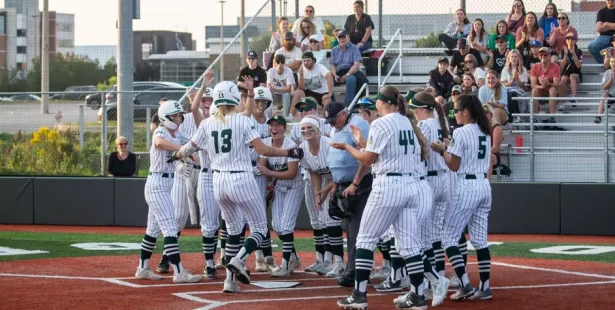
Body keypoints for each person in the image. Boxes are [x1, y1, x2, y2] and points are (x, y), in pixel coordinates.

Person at [172, 78, 304, 292]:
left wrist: (177, 154)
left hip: (218, 182)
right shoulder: (242, 121)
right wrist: (288, 152)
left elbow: (188, 148)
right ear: (234, 98)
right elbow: (264, 150)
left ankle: (229, 281)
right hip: (241, 178)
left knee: (232, 231)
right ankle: (240, 259)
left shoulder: (207, 123)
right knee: (259, 229)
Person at [334, 86, 447, 309]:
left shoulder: (381, 123)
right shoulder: (408, 121)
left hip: (389, 185)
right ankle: (417, 297)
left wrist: (348, 146)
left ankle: (359, 295)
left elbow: (367, 159)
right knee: (408, 245)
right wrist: (361, 142)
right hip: (411, 185)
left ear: (381, 102)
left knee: (365, 239)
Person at [430, 94, 493, 301]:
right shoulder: (485, 131)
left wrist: (441, 150)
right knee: (480, 240)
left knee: (448, 237)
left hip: (466, 185)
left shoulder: (462, 132)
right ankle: (484, 287)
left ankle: (465, 284)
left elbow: (453, 165)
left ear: (466, 112)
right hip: (483, 184)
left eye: (456, 110)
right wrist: (449, 148)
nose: (453, 114)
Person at [134, 100, 203, 284]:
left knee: (153, 230)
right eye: (175, 116)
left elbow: (191, 142)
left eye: (179, 115)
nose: (179, 118)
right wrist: (182, 150)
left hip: (165, 184)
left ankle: (142, 268)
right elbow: (159, 143)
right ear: (166, 118)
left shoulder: (177, 132)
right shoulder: (162, 130)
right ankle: (179, 272)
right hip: (157, 183)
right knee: (170, 229)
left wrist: (194, 150)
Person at [325, 101, 373, 283]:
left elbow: (366, 156)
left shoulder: (358, 124)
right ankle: (354, 267)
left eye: (333, 119)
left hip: (360, 183)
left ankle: (356, 271)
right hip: (345, 184)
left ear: (343, 114)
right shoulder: (337, 127)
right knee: (351, 229)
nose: (331, 124)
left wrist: (355, 183)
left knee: (357, 230)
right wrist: (336, 184)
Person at [408, 92, 452, 284]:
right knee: (437, 232)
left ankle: (430, 279)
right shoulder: (440, 123)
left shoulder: (424, 125)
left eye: (414, 109)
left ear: (421, 109)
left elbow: (418, 152)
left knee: (425, 233)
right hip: (444, 178)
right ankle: (439, 273)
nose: (414, 113)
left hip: (431, 179)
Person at [290, 97, 333, 275]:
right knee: (315, 220)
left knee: (329, 219)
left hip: (330, 176)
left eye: (307, 109)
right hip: (310, 174)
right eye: (301, 110)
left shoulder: (326, 125)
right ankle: (320, 259)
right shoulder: (296, 128)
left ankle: (331, 260)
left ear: (315, 110)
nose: (303, 112)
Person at [257, 115, 304, 277]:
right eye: (271, 125)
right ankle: (295, 257)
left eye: (278, 125)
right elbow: (262, 167)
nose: (274, 128)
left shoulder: (290, 145)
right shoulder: (266, 144)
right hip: (278, 185)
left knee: (286, 225)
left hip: (293, 186)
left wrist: (269, 173)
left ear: (285, 128)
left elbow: (291, 173)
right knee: (276, 225)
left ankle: (284, 265)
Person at [186, 81, 221, 279]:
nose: (207, 103)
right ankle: (209, 264)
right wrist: (203, 87)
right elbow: (193, 109)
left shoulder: (228, 121)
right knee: (208, 222)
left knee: (233, 221)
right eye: (204, 100)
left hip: (224, 174)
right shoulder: (204, 124)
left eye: (211, 99)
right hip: (207, 174)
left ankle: (228, 258)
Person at [330, 30, 368, 106]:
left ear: (348, 38)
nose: (341, 39)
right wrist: (334, 75)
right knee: (328, 79)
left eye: (343, 37)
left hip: (350, 72)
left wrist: (346, 75)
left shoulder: (354, 48)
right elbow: (332, 65)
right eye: (339, 37)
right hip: (338, 72)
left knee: (351, 79)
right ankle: (332, 104)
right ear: (337, 39)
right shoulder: (334, 50)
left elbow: (356, 65)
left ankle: (348, 105)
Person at [292, 51, 334, 117]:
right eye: (304, 61)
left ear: (313, 60)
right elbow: (301, 88)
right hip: (309, 92)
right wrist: (301, 75)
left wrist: (330, 93)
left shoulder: (320, 67)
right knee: (298, 92)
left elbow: (329, 77)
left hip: (322, 93)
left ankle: (323, 120)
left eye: (308, 60)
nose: (306, 63)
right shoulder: (301, 70)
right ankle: (291, 116)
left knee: (327, 100)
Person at [530, 46, 562, 126]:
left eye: (545, 55)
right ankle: (534, 116)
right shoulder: (534, 67)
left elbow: (556, 84)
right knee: (534, 91)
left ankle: (552, 117)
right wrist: (543, 86)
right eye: (541, 55)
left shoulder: (555, 67)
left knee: (553, 90)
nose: (543, 56)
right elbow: (533, 85)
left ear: (549, 57)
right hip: (540, 90)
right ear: (538, 56)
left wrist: (548, 84)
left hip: (550, 90)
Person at [501, 49, 530, 123]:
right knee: (510, 93)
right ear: (509, 58)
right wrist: (512, 81)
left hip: (519, 90)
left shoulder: (523, 69)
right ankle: (515, 117)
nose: (513, 59)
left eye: (515, 57)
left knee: (512, 93)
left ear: (519, 58)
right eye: (512, 57)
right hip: (507, 90)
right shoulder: (505, 70)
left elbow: (522, 84)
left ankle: (512, 118)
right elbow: (503, 84)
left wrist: (516, 79)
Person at [267, 54, 295, 118]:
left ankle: (286, 116)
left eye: (282, 62)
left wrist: (276, 89)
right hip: (275, 96)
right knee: (268, 93)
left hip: (286, 97)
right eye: (278, 62)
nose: (280, 64)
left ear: (284, 63)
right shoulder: (271, 71)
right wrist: (280, 89)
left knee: (286, 94)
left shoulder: (288, 71)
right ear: (275, 63)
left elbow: (288, 89)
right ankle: (268, 117)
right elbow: (269, 86)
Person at [587, 0, 615, 64]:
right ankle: (604, 64)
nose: (610, 1)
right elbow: (599, 28)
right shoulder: (601, 12)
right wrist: (612, 26)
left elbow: (602, 27)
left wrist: (607, 24)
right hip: (604, 37)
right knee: (591, 46)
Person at [483, 104, 507, 178]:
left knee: (489, 158)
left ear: (491, 114)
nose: (484, 114)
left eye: (486, 112)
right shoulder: (478, 128)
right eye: (482, 112)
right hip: (481, 153)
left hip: (493, 155)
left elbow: (495, 148)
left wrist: (481, 152)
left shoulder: (496, 128)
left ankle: (486, 183)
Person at [558, 32, 583, 101]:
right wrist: (566, 55)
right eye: (568, 39)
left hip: (576, 73)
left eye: (572, 40)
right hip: (566, 73)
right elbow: (561, 68)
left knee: (572, 76)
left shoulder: (579, 51)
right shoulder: (563, 51)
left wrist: (574, 54)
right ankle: (562, 100)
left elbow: (578, 67)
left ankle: (574, 98)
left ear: (575, 41)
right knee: (563, 79)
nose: (570, 41)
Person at [596, 55, 615, 123]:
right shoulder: (607, 73)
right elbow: (604, 87)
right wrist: (610, 80)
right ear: (610, 63)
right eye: (612, 62)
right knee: (604, 96)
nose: (613, 63)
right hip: (610, 94)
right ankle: (598, 116)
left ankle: (607, 105)